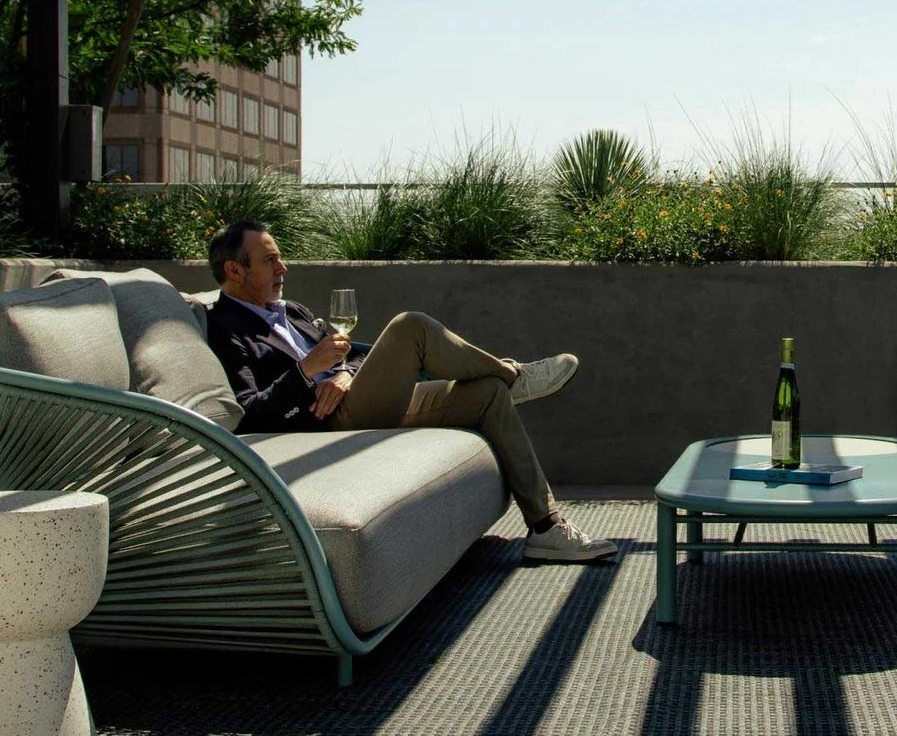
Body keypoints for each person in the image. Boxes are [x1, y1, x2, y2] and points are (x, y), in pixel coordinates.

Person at [203, 219, 617, 564]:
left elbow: (352, 354)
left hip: (355, 399)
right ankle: (515, 376)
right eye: (270, 259)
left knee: (487, 393)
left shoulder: (292, 310)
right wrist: (306, 372)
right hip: (322, 424)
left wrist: (343, 374)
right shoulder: (225, 327)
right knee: (409, 327)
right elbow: (250, 414)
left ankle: (545, 528)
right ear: (234, 271)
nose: (283, 267)